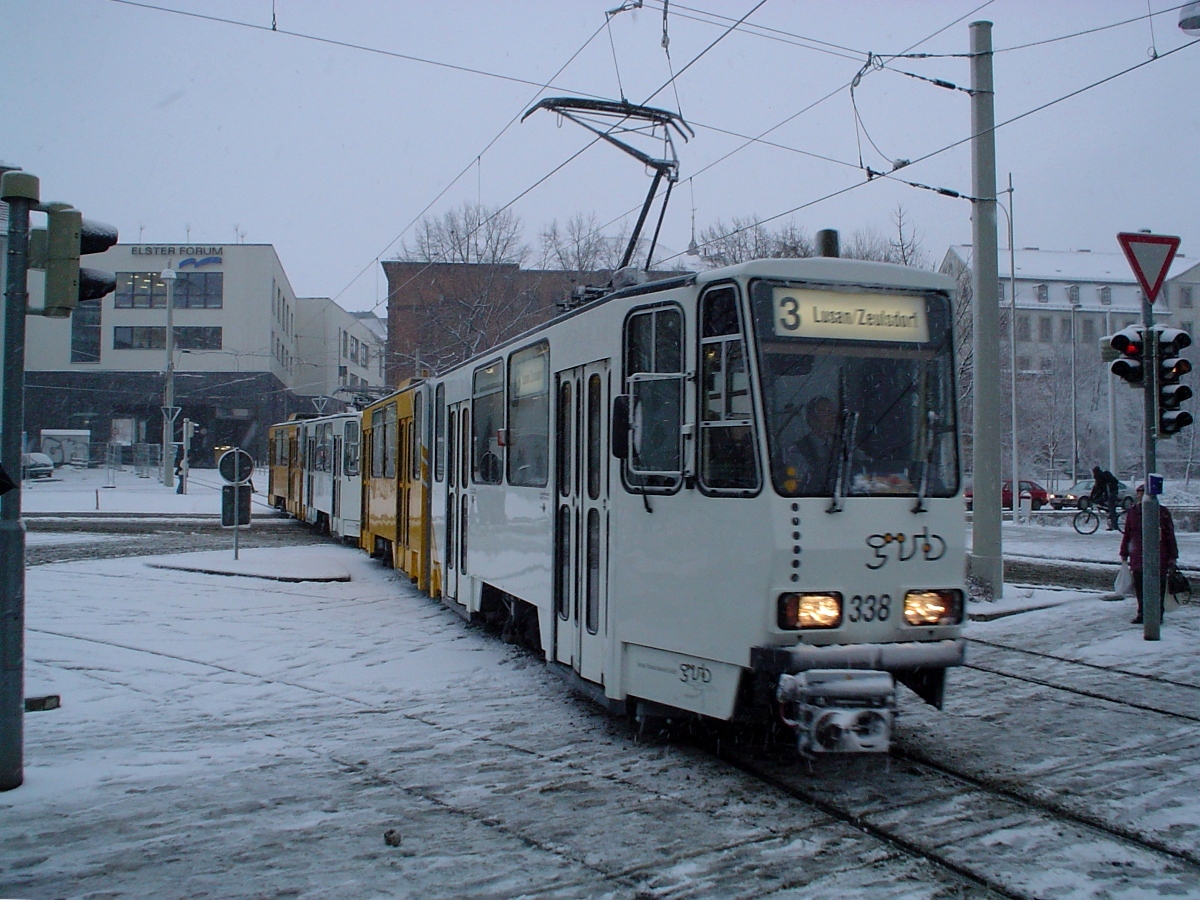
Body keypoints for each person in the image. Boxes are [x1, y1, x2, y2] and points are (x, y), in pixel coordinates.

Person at [1119, 483, 1178, 624]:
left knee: (1158, 587)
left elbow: (1169, 534)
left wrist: (1173, 556)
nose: (1140, 496)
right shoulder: (1133, 512)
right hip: (1139, 556)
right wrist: (1124, 552)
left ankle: (1157, 614)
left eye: (1143, 494)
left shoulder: (1161, 512)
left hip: (1158, 557)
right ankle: (1143, 613)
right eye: (1139, 494)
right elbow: (1128, 533)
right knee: (1140, 587)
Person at [792, 396, 840, 492]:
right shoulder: (796, 450)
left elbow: (863, 465)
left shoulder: (844, 444)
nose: (832, 417)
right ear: (811, 419)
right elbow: (802, 481)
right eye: (825, 413)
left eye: (833, 412)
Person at [1090, 466, 1120, 531]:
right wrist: (1092, 496)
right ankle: (1109, 513)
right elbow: (1096, 488)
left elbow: (1099, 489)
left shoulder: (1101, 477)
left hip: (1112, 492)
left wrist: (1093, 497)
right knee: (1105, 504)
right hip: (1110, 492)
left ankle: (1114, 525)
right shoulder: (1099, 477)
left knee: (1111, 508)